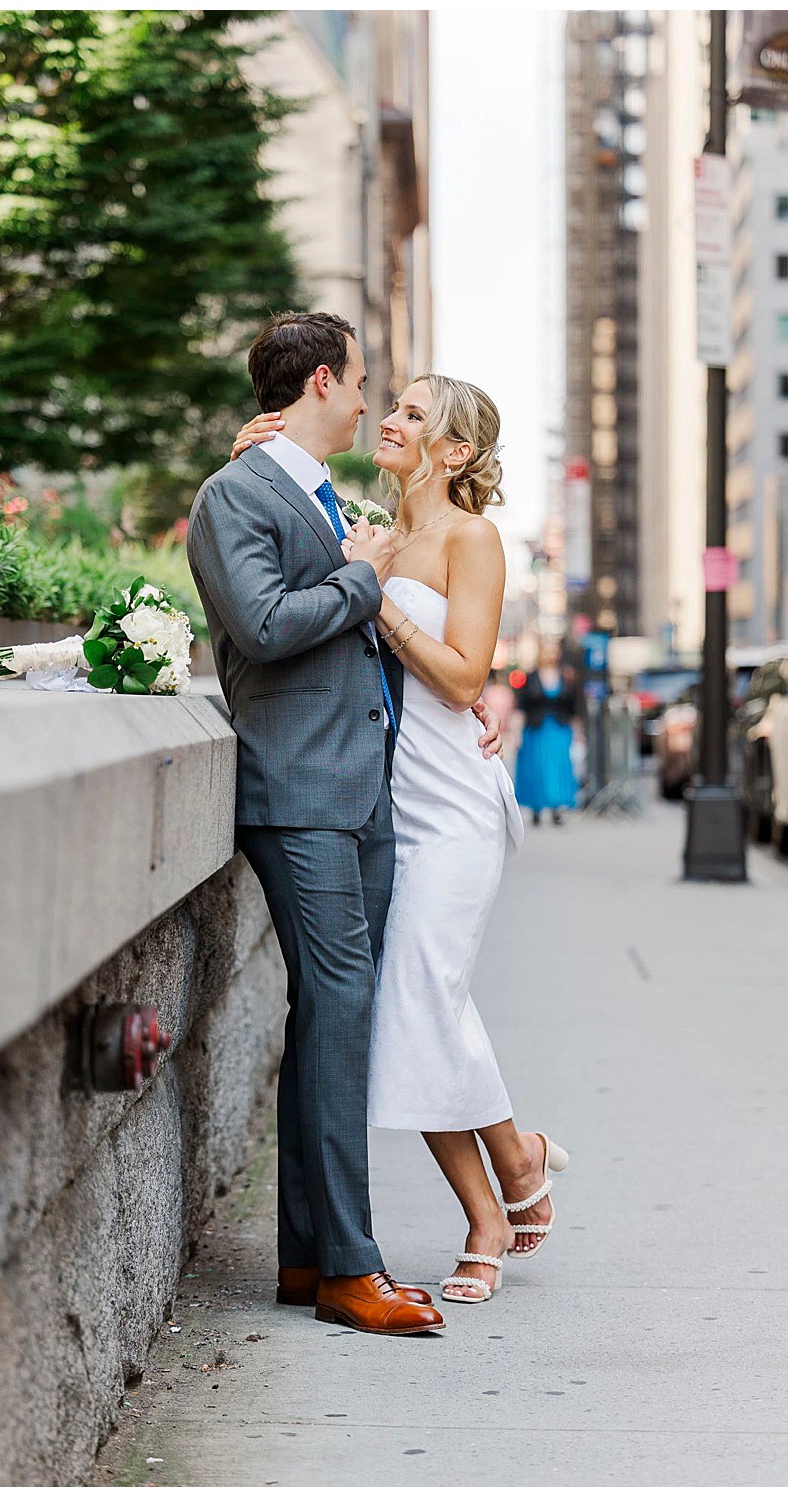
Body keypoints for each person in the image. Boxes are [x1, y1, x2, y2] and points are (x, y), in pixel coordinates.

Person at [230, 375, 569, 1308]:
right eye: (395, 406)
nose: (390, 419)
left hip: (452, 803)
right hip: (380, 796)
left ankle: (491, 1212)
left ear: (455, 452)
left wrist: (372, 594)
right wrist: (250, 457)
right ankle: (515, 1158)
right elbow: (282, 569)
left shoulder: (471, 537)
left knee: (420, 992)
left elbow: (464, 681)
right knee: (412, 1005)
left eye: (415, 415)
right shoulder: (366, 525)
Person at [188, 312, 443, 1335]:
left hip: (356, 786)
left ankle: (307, 1259)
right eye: (362, 383)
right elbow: (263, 625)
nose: (369, 401)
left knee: (336, 1022)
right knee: (339, 1014)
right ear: (324, 381)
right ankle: (349, 1267)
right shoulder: (232, 496)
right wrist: (363, 575)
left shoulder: (309, 488)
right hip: (295, 794)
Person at [513, 661, 583, 825]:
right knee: (536, 768)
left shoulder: (565, 677)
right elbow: (522, 706)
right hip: (536, 730)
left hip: (559, 729)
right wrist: (517, 732)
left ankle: (557, 807)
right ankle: (536, 806)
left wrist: (578, 730)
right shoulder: (531, 678)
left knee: (558, 768)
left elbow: (573, 707)